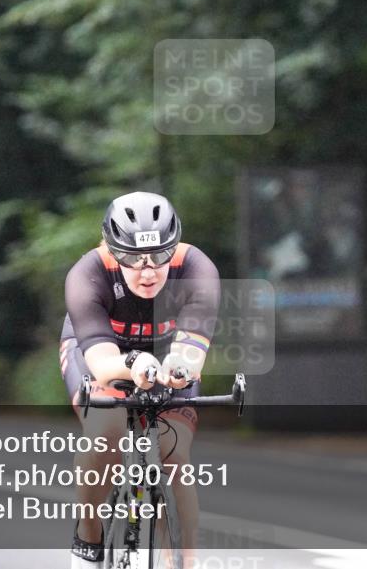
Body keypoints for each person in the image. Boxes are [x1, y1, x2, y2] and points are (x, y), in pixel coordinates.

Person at [60, 192, 220, 568]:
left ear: (175, 247)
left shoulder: (196, 268)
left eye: (159, 256)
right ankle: (89, 535)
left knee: (174, 454)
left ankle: (184, 563)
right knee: (107, 431)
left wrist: (178, 369)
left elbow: (191, 352)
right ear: (111, 250)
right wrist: (133, 363)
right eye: (132, 259)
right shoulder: (88, 273)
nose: (148, 272)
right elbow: (101, 364)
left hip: (166, 352)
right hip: (101, 349)